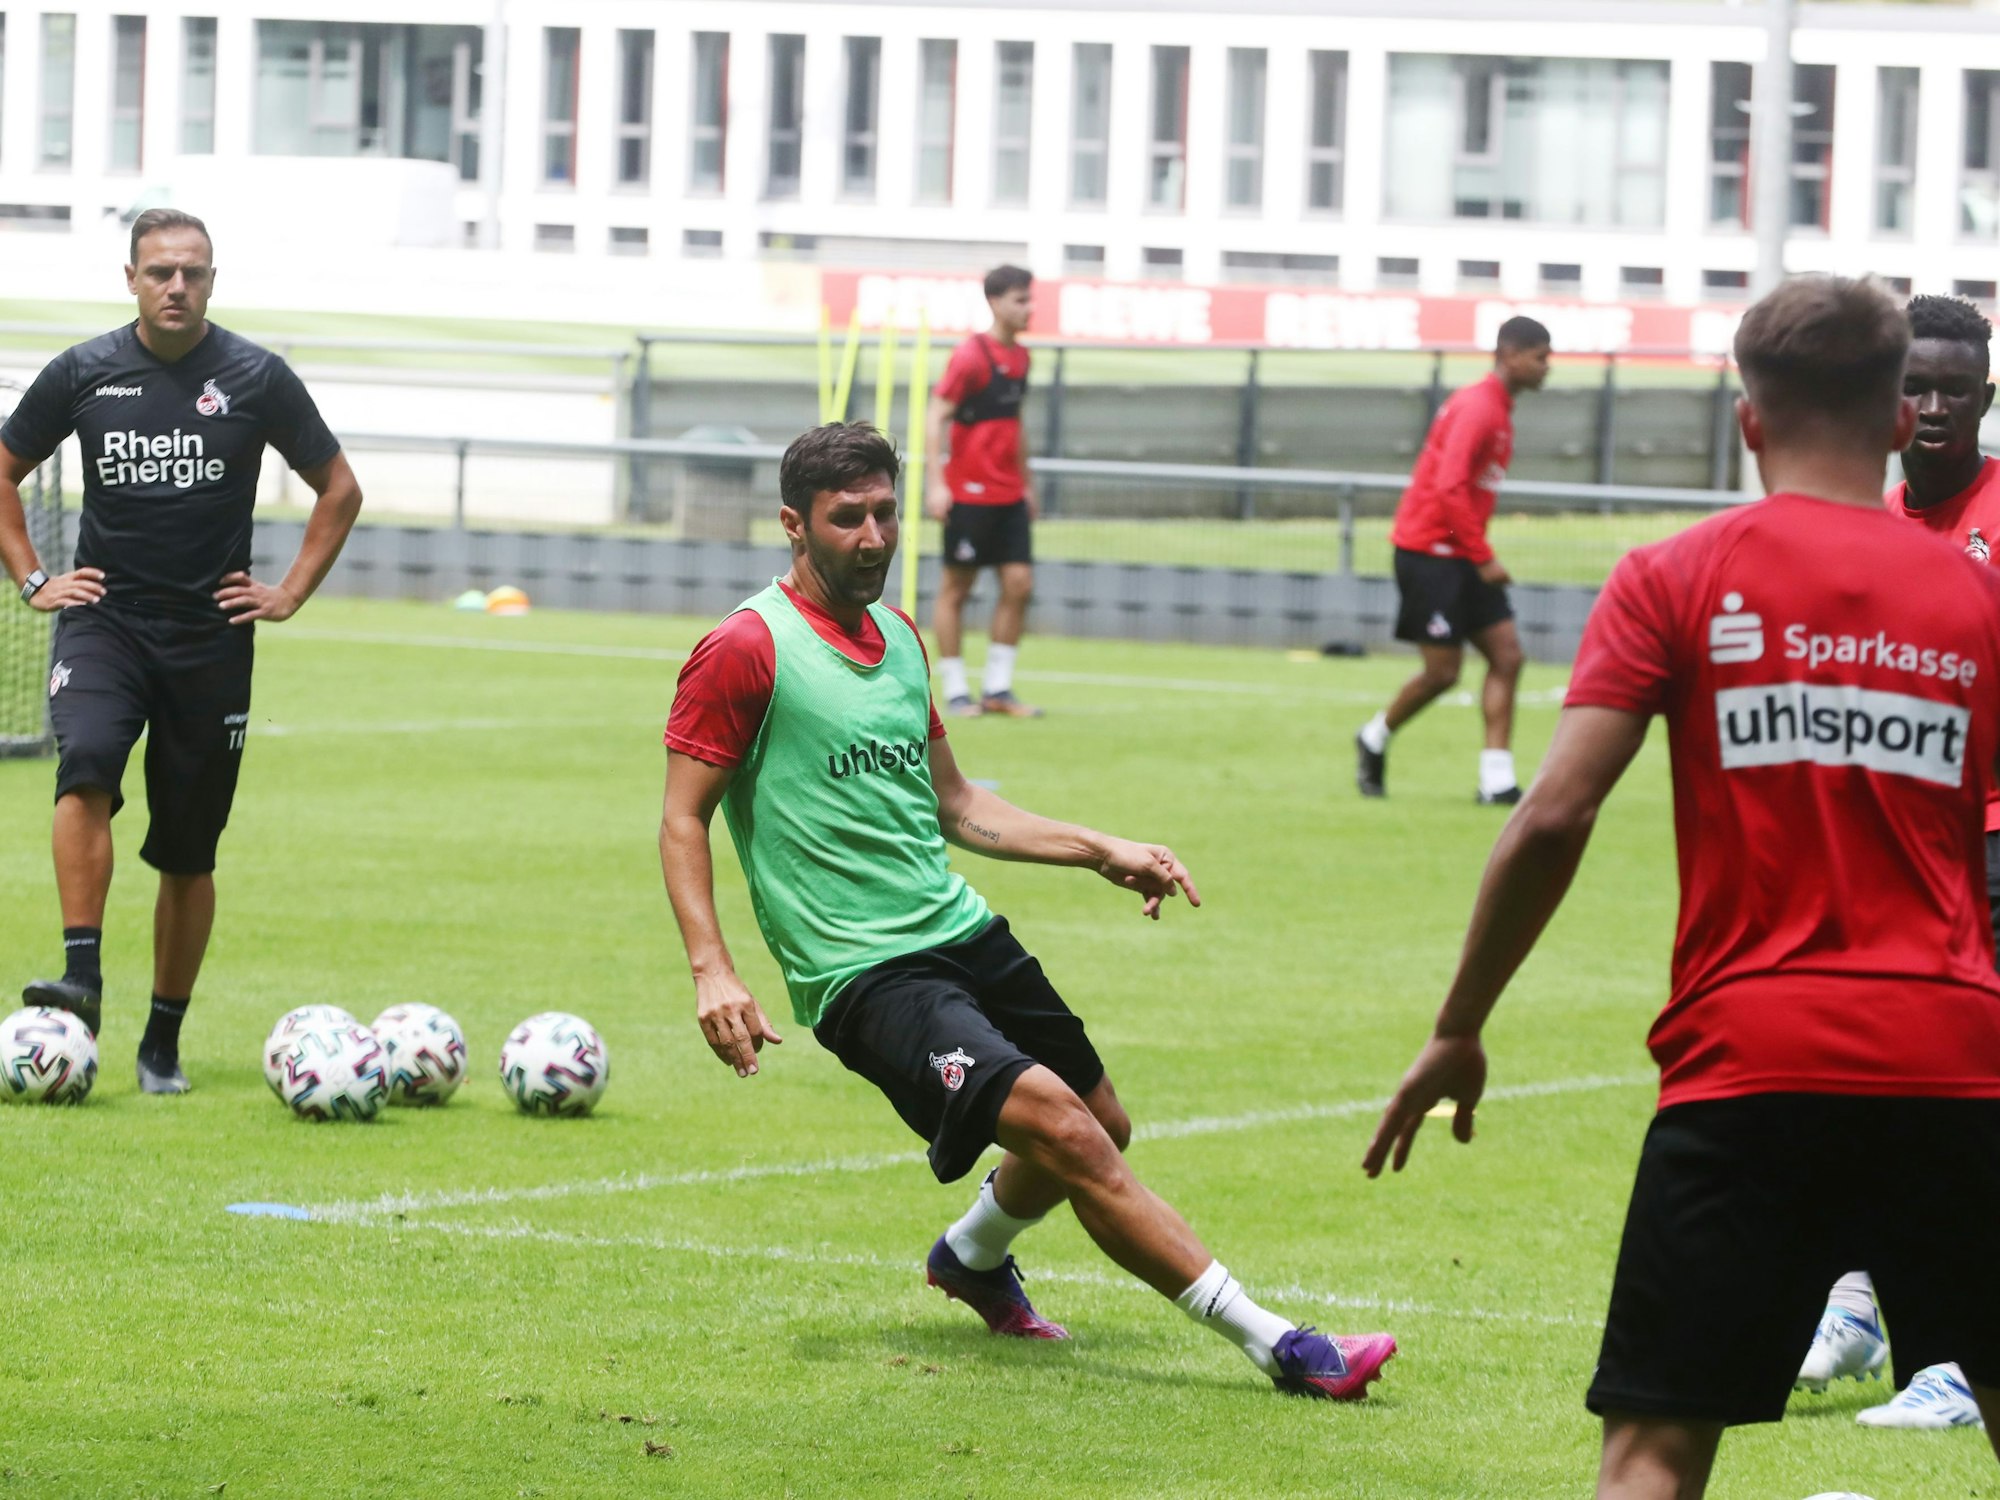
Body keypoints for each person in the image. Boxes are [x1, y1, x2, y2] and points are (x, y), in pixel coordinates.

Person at [1362, 276, 2000, 1497]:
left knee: (1649, 1458)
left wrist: (1458, 1026)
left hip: (1745, 1063)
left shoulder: (1674, 576)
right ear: (1891, 417)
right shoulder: (1976, 599)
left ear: (1746, 420)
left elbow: (1553, 816)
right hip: (1952, 1064)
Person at [660, 421, 1395, 1400]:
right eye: (847, 520)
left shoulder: (902, 638)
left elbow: (956, 804)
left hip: (958, 929)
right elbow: (683, 819)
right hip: (865, 974)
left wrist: (1100, 849)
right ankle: (1283, 1346)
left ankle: (969, 1256)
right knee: (1063, 1130)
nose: (874, 538)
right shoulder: (746, 648)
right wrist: (712, 969)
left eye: (885, 513)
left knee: (1102, 1121)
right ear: (793, 525)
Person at [0, 208, 361, 1093]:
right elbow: (2, 468)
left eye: (192, 273)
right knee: (85, 763)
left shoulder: (255, 376)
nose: (176, 286)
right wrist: (34, 578)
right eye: (160, 271)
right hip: (105, 622)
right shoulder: (84, 371)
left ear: (211, 281)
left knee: (188, 851)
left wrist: (288, 591)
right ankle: (82, 974)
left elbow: (339, 488)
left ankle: (162, 1044)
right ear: (130, 279)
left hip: (211, 639)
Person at [1792, 293, 2000, 1431]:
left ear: (1986, 398)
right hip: (1888, 852)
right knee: (1871, 1080)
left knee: (1973, 1096)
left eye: (1954, 390)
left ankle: (1960, 1358)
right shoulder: (1867, 520)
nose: (1931, 407)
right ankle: (1863, 1301)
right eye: (1913, 387)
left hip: (1989, 838)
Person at [1355, 316, 1551, 804]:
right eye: (1540, 357)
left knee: (1507, 657)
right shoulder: (1479, 408)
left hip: (1461, 552)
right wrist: (1483, 557)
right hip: (1431, 554)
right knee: (1443, 673)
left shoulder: (1496, 407)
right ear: (1510, 355)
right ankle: (1374, 735)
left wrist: (1475, 554)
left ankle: (1496, 781)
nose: (1547, 366)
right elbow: (1448, 487)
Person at [925, 265, 1040, 719]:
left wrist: (1027, 483)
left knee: (1019, 584)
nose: (1029, 308)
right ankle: (956, 690)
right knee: (957, 588)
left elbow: (1016, 423)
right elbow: (936, 415)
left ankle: (997, 688)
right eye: (1020, 300)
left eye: (1029, 298)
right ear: (995, 303)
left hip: (1009, 494)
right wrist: (937, 482)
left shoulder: (1023, 358)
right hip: (969, 494)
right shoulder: (970, 358)